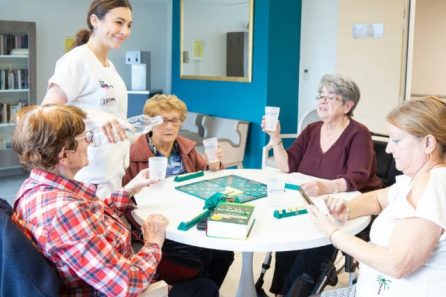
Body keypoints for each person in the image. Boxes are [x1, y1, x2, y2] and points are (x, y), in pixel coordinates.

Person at [11, 104, 218, 297]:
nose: (90, 143)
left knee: (207, 257)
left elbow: (88, 218)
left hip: (110, 265)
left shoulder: (35, 188)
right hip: (116, 284)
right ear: (65, 155)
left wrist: (127, 191)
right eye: (86, 138)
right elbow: (126, 284)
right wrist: (154, 241)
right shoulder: (66, 211)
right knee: (205, 286)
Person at [306, 96, 446, 297]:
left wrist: (332, 233)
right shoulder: (414, 179)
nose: (388, 149)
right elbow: (378, 199)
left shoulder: (432, 185)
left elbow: (397, 263)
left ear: (428, 143)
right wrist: (348, 209)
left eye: (397, 140)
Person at [262, 74, 381, 296]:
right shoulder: (312, 129)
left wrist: (325, 187)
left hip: (343, 206)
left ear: (348, 105)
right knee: (290, 236)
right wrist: (275, 138)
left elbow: (358, 176)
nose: (322, 101)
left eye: (330, 97)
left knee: (315, 242)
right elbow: (287, 166)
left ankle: (296, 292)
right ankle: (281, 292)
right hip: (308, 201)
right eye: (320, 96)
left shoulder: (359, 133)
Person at [123, 94, 234, 288]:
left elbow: (205, 173)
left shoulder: (186, 148)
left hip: (188, 215)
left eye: (174, 120)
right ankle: (200, 288)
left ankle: (207, 289)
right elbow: (124, 197)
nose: (169, 126)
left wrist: (213, 166)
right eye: (162, 120)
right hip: (156, 224)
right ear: (150, 123)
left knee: (224, 252)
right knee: (199, 254)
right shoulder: (132, 154)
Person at [42, 0, 133, 198]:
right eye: (118, 22)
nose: (125, 31)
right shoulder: (76, 61)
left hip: (111, 172)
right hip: (87, 176)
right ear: (95, 20)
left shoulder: (109, 65)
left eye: (129, 25)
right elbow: (47, 110)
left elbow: (111, 115)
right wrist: (91, 114)